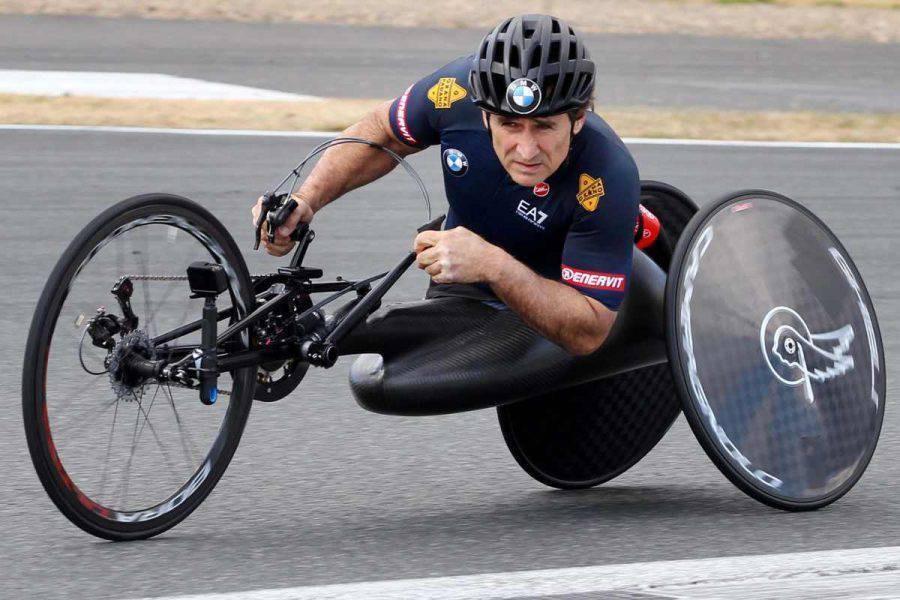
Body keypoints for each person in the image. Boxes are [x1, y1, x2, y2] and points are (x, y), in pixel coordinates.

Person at [252, 14, 643, 356]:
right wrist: (306, 199)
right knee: (376, 373)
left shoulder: (607, 175)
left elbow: (589, 333)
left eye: (544, 127)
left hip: (558, 295)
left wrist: (494, 264)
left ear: (577, 118)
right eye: (509, 125)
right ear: (484, 113)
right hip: (466, 283)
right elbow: (381, 133)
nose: (526, 149)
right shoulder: (453, 92)